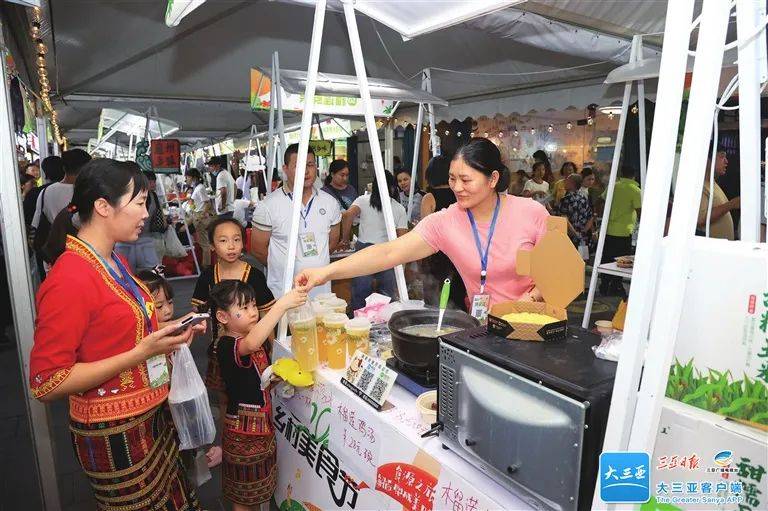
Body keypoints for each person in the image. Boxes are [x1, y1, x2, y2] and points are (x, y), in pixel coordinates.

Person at [30, 158, 202, 510]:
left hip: (152, 417)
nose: (145, 213)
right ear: (103, 207)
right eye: (138, 203)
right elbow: (46, 382)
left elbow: (120, 333)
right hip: (116, 434)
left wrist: (167, 334)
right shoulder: (70, 278)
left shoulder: (111, 261)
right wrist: (140, 353)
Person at [296, 138, 550, 320]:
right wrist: (326, 272)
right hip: (484, 327)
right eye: (452, 178)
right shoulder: (446, 222)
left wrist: (527, 304)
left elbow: (561, 270)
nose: (457, 188)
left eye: (466, 180)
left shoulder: (531, 213)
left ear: (493, 179)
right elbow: (387, 253)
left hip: (533, 325)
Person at [211, 280, 306, 511]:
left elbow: (252, 380)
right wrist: (280, 306)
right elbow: (252, 344)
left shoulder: (249, 340)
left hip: (260, 429)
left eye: (253, 305)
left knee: (255, 492)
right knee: (242, 498)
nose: (253, 312)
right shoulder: (227, 344)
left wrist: (272, 379)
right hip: (242, 434)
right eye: (243, 309)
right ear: (223, 317)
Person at [191, 217, 275, 405]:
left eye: (236, 240)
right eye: (223, 240)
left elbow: (266, 314)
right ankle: (228, 428)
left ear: (243, 243)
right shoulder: (207, 276)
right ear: (212, 245)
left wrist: (273, 349)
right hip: (220, 349)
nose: (231, 246)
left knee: (257, 391)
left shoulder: (254, 275)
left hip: (254, 347)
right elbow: (198, 309)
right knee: (225, 396)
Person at [252, 144, 342, 299]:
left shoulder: (330, 203)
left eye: (310, 165)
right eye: (298, 166)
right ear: (285, 169)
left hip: (321, 293)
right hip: (284, 294)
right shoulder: (268, 206)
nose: (306, 171)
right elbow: (258, 249)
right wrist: (282, 268)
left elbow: (332, 243)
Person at [343, 171, 409, 310]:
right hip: (386, 253)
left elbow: (348, 216)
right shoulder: (399, 208)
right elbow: (403, 240)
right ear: (393, 187)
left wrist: (345, 239)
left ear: (373, 186)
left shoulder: (362, 200)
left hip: (364, 251)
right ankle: (384, 325)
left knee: (360, 293)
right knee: (387, 295)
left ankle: (358, 324)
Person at [419, 155, 468, 309]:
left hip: (436, 256)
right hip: (460, 253)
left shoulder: (429, 198)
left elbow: (425, 233)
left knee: (435, 300)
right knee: (457, 298)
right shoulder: (461, 196)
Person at [32, 149, 92, 250]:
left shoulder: (45, 191)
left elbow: (36, 223)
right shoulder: (89, 192)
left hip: (53, 250)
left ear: (63, 168)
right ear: (88, 168)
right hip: (82, 250)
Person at [600, 165, 642, 296]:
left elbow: (600, 201)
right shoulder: (635, 190)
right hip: (624, 231)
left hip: (608, 229)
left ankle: (604, 284)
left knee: (606, 258)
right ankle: (616, 285)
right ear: (634, 175)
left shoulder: (613, 186)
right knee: (622, 261)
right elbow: (639, 210)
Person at [115, 171, 166, 272]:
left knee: (129, 276)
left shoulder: (152, 196)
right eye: (150, 181)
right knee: (149, 276)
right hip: (134, 243)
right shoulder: (148, 196)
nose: (153, 184)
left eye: (154, 181)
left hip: (141, 241)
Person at [697, 150, 739, 240]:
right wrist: (731, 204)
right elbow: (701, 219)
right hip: (710, 250)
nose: (726, 161)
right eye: (722, 156)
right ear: (708, 160)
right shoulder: (699, 185)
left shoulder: (713, 184)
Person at [186, 168, 214, 267]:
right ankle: (205, 264)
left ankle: (206, 265)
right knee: (203, 242)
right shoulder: (197, 187)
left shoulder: (200, 188)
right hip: (197, 215)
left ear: (193, 177)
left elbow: (207, 203)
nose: (186, 179)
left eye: (188, 177)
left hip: (200, 217)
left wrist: (201, 215)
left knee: (204, 243)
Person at [556, 174, 594, 248]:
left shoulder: (565, 199)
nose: (565, 182)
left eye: (567, 181)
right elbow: (590, 218)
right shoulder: (584, 198)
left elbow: (564, 219)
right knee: (581, 258)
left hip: (569, 238)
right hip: (583, 239)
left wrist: (575, 233)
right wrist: (583, 232)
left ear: (572, 183)